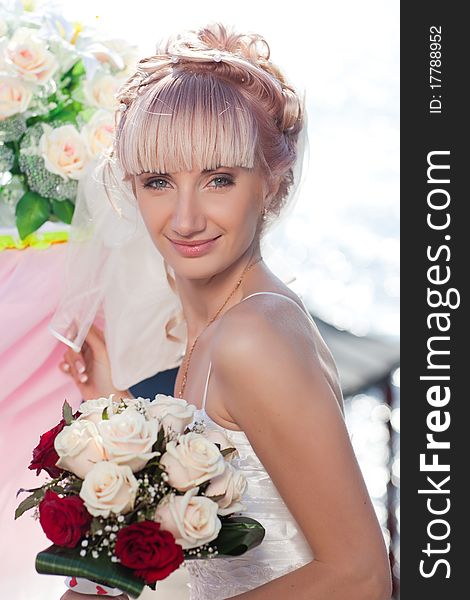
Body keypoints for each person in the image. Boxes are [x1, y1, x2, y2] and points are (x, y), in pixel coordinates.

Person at [57, 22, 392, 600]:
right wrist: (112, 418)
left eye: (218, 180)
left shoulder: (251, 336)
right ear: (130, 186)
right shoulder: (223, 327)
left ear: (272, 183)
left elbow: (360, 576)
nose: (185, 219)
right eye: (160, 181)